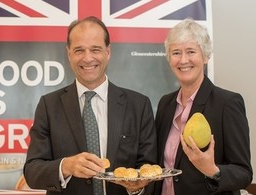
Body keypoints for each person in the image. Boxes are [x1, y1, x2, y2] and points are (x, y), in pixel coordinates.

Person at [24, 16, 157, 195]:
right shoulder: (49, 106)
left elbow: (151, 170)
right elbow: (32, 172)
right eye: (79, 50)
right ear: (69, 53)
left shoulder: (138, 106)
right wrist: (66, 166)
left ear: (108, 52)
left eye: (95, 49)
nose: (88, 58)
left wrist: (137, 189)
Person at [154, 18, 253, 195]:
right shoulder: (165, 104)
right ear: (169, 59)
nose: (183, 60)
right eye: (176, 53)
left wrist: (212, 170)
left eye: (191, 51)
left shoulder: (227, 104)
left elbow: (244, 173)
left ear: (205, 56)